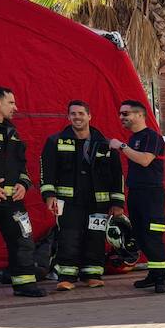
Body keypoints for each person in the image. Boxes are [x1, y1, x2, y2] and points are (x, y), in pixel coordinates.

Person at [40, 100, 124, 290]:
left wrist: (117, 202)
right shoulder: (55, 141)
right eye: (73, 114)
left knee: (96, 236)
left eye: (81, 113)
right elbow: (47, 170)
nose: (77, 117)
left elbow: (117, 175)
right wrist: (49, 195)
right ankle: (66, 277)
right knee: (68, 237)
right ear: (68, 117)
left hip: (98, 203)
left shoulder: (105, 144)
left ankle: (92, 274)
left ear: (89, 116)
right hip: (67, 202)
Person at [0, 87, 46, 298]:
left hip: (13, 202)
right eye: (11, 102)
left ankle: (24, 284)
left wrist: (23, 185)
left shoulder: (12, 132)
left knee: (23, 240)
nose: (15, 107)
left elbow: (22, 166)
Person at [113, 99, 165, 294]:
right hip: (136, 193)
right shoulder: (133, 138)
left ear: (139, 115)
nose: (121, 117)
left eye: (125, 114)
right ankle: (154, 274)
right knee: (140, 235)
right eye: (120, 114)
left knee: (153, 235)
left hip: (152, 195)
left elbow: (145, 160)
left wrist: (121, 146)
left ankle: (162, 278)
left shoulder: (152, 137)